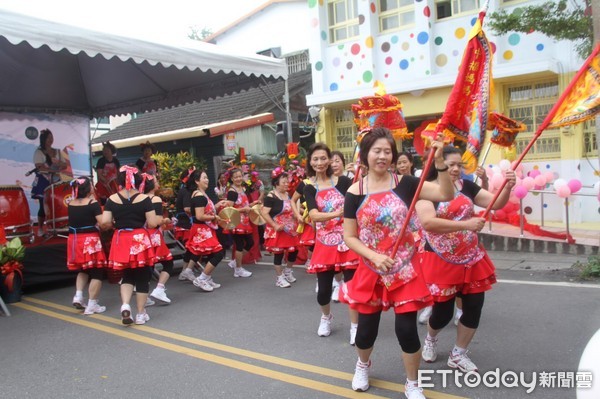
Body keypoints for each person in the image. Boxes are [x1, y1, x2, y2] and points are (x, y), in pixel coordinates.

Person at [342, 128, 454, 398]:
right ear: (365, 154)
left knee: (406, 330)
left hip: (404, 268)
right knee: (366, 331)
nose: (382, 156)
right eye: (376, 151)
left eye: (387, 151)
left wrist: (439, 162)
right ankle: (363, 364)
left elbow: (445, 194)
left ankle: (412, 382)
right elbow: (350, 237)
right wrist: (374, 255)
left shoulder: (405, 183)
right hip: (371, 269)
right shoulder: (354, 191)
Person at [416, 146, 516, 373]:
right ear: (438, 164)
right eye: (450, 164)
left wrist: (508, 187)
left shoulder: (467, 187)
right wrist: (466, 225)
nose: (455, 169)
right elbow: (428, 223)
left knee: (473, 307)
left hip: (470, 258)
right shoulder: (425, 189)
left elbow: (496, 202)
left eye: (459, 165)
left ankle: (458, 353)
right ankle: (431, 338)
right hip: (440, 260)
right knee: (441, 314)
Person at [303, 142, 359, 342]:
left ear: (329, 160)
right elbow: (314, 215)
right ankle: (326, 316)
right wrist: (337, 213)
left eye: (323, 158)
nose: (320, 162)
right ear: (310, 162)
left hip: (347, 241)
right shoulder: (309, 187)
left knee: (352, 287)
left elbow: (358, 201)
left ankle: (355, 326)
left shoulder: (344, 181)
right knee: (324, 290)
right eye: (315, 159)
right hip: (324, 243)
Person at [101, 165, 157, 326]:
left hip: (121, 239)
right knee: (142, 276)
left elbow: (104, 222)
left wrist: (115, 223)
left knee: (127, 275)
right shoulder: (144, 199)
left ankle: (125, 305)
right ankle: (140, 313)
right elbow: (152, 223)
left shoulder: (112, 199)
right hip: (139, 238)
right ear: (136, 180)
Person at [67, 177, 107, 315]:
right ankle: (92, 304)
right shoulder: (92, 203)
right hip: (90, 239)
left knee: (82, 269)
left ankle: (78, 295)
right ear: (89, 188)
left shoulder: (71, 203)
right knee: (97, 271)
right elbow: (102, 223)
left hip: (74, 239)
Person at [182, 169, 227, 291]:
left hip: (205, 229)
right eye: (204, 178)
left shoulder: (202, 194)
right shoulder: (199, 196)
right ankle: (202, 278)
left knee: (206, 253)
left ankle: (202, 276)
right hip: (202, 230)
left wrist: (216, 207)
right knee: (218, 253)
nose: (207, 180)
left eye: (207, 177)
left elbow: (205, 211)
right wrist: (214, 217)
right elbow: (199, 216)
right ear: (197, 181)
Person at [261, 167, 300, 288]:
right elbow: (264, 212)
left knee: (294, 251)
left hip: (290, 229)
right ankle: (279, 277)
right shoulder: (271, 197)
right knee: (279, 253)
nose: (286, 184)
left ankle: (288, 271)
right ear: (276, 183)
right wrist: (274, 225)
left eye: (287, 181)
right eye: (284, 182)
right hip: (278, 229)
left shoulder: (287, 194)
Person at [140, 173, 175, 304]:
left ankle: (144, 294)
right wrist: (166, 220)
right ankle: (159, 289)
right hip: (153, 235)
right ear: (150, 184)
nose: (158, 183)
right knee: (168, 262)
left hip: (141, 235)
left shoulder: (137, 198)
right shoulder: (155, 200)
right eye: (156, 181)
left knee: (147, 265)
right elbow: (157, 220)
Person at [31, 128, 67, 235]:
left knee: (56, 204)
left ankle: (56, 226)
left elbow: (64, 165)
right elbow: (38, 166)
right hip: (43, 181)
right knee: (43, 205)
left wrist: (59, 163)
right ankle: (41, 228)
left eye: (52, 138)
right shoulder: (39, 152)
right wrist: (51, 170)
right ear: (43, 139)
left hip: (56, 181)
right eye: (48, 138)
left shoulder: (57, 151)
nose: (51, 140)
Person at [223, 168, 255, 278]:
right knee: (240, 245)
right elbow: (229, 209)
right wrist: (243, 210)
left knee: (250, 243)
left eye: (240, 176)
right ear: (231, 178)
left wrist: (253, 204)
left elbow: (245, 205)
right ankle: (238, 269)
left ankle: (235, 262)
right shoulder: (232, 192)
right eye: (235, 177)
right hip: (236, 222)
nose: (238, 178)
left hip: (245, 221)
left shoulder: (242, 188)